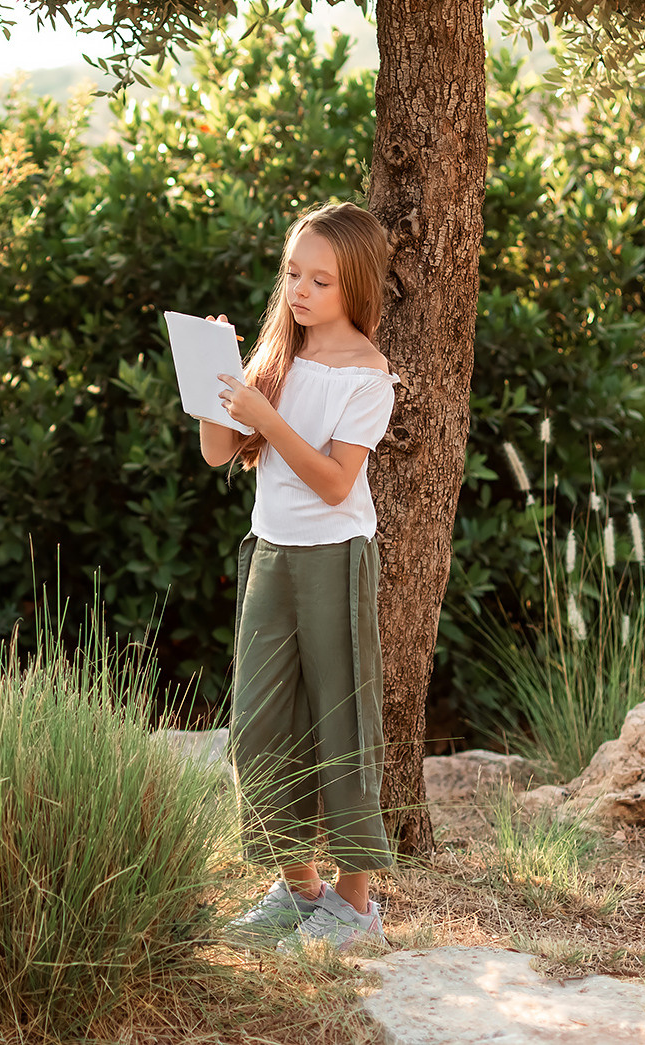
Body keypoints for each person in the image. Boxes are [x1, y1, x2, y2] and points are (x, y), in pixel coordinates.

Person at [197, 200, 399, 952]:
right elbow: (220, 449)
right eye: (293, 273)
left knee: (341, 724)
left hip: (335, 557)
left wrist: (269, 416)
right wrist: (212, 372)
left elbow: (337, 482)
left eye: (321, 278)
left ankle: (355, 906)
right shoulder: (275, 360)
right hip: (270, 553)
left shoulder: (367, 374)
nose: (301, 290)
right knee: (255, 727)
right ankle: (298, 887)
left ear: (354, 286)